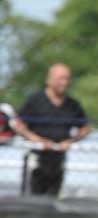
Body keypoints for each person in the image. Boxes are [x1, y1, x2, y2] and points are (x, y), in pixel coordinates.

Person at [14, 63, 90, 196]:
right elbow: (18, 124)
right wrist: (39, 141)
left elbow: (85, 128)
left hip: (58, 161)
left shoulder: (73, 105)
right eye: (61, 78)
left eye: (67, 78)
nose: (64, 82)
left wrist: (70, 141)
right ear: (49, 80)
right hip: (36, 160)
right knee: (31, 201)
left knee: (52, 202)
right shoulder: (35, 100)